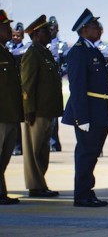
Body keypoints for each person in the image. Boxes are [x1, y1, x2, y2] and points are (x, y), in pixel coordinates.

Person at [62, 9, 108, 207]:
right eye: (95, 27)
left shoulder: (93, 50)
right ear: (84, 30)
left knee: (92, 153)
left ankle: (87, 191)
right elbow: (77, 87)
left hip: (99, 110)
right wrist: (81, 117)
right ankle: (82, 194)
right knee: (86, 153)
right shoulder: (78, 52)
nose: (99, 30)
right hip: (88, 112)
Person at [20, 14, 62, 198]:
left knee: (43, 151)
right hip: (36, 112)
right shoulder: (32, 54)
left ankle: (40, 183)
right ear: (36, 34)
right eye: (45, 31)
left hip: (47, 110)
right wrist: (28, 110)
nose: (50, 33)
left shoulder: (44, 53)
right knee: (34, 151)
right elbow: (27, 85)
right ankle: (35, 186)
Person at [0, 9, 24, 204]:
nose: (9, 30)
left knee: (4, 157)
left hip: (9, 114)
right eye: (5, 27)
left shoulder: (5, 52)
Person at [46, 15, 68, 153]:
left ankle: (54, 143)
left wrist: (58, 73)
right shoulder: (43, 44)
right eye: (49, 27)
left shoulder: (62, 45)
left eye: (53, 27)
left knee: (53, 113)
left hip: (55, 83)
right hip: (43, 84)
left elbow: (66, 64)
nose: (51, 29)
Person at [5, 20, 26, 158]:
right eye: (14, 35)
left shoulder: (25, 50)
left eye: (18, 36)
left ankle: (18, 146)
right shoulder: (6, 48)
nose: (15, 37)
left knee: (15, 122)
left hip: (17, 88)